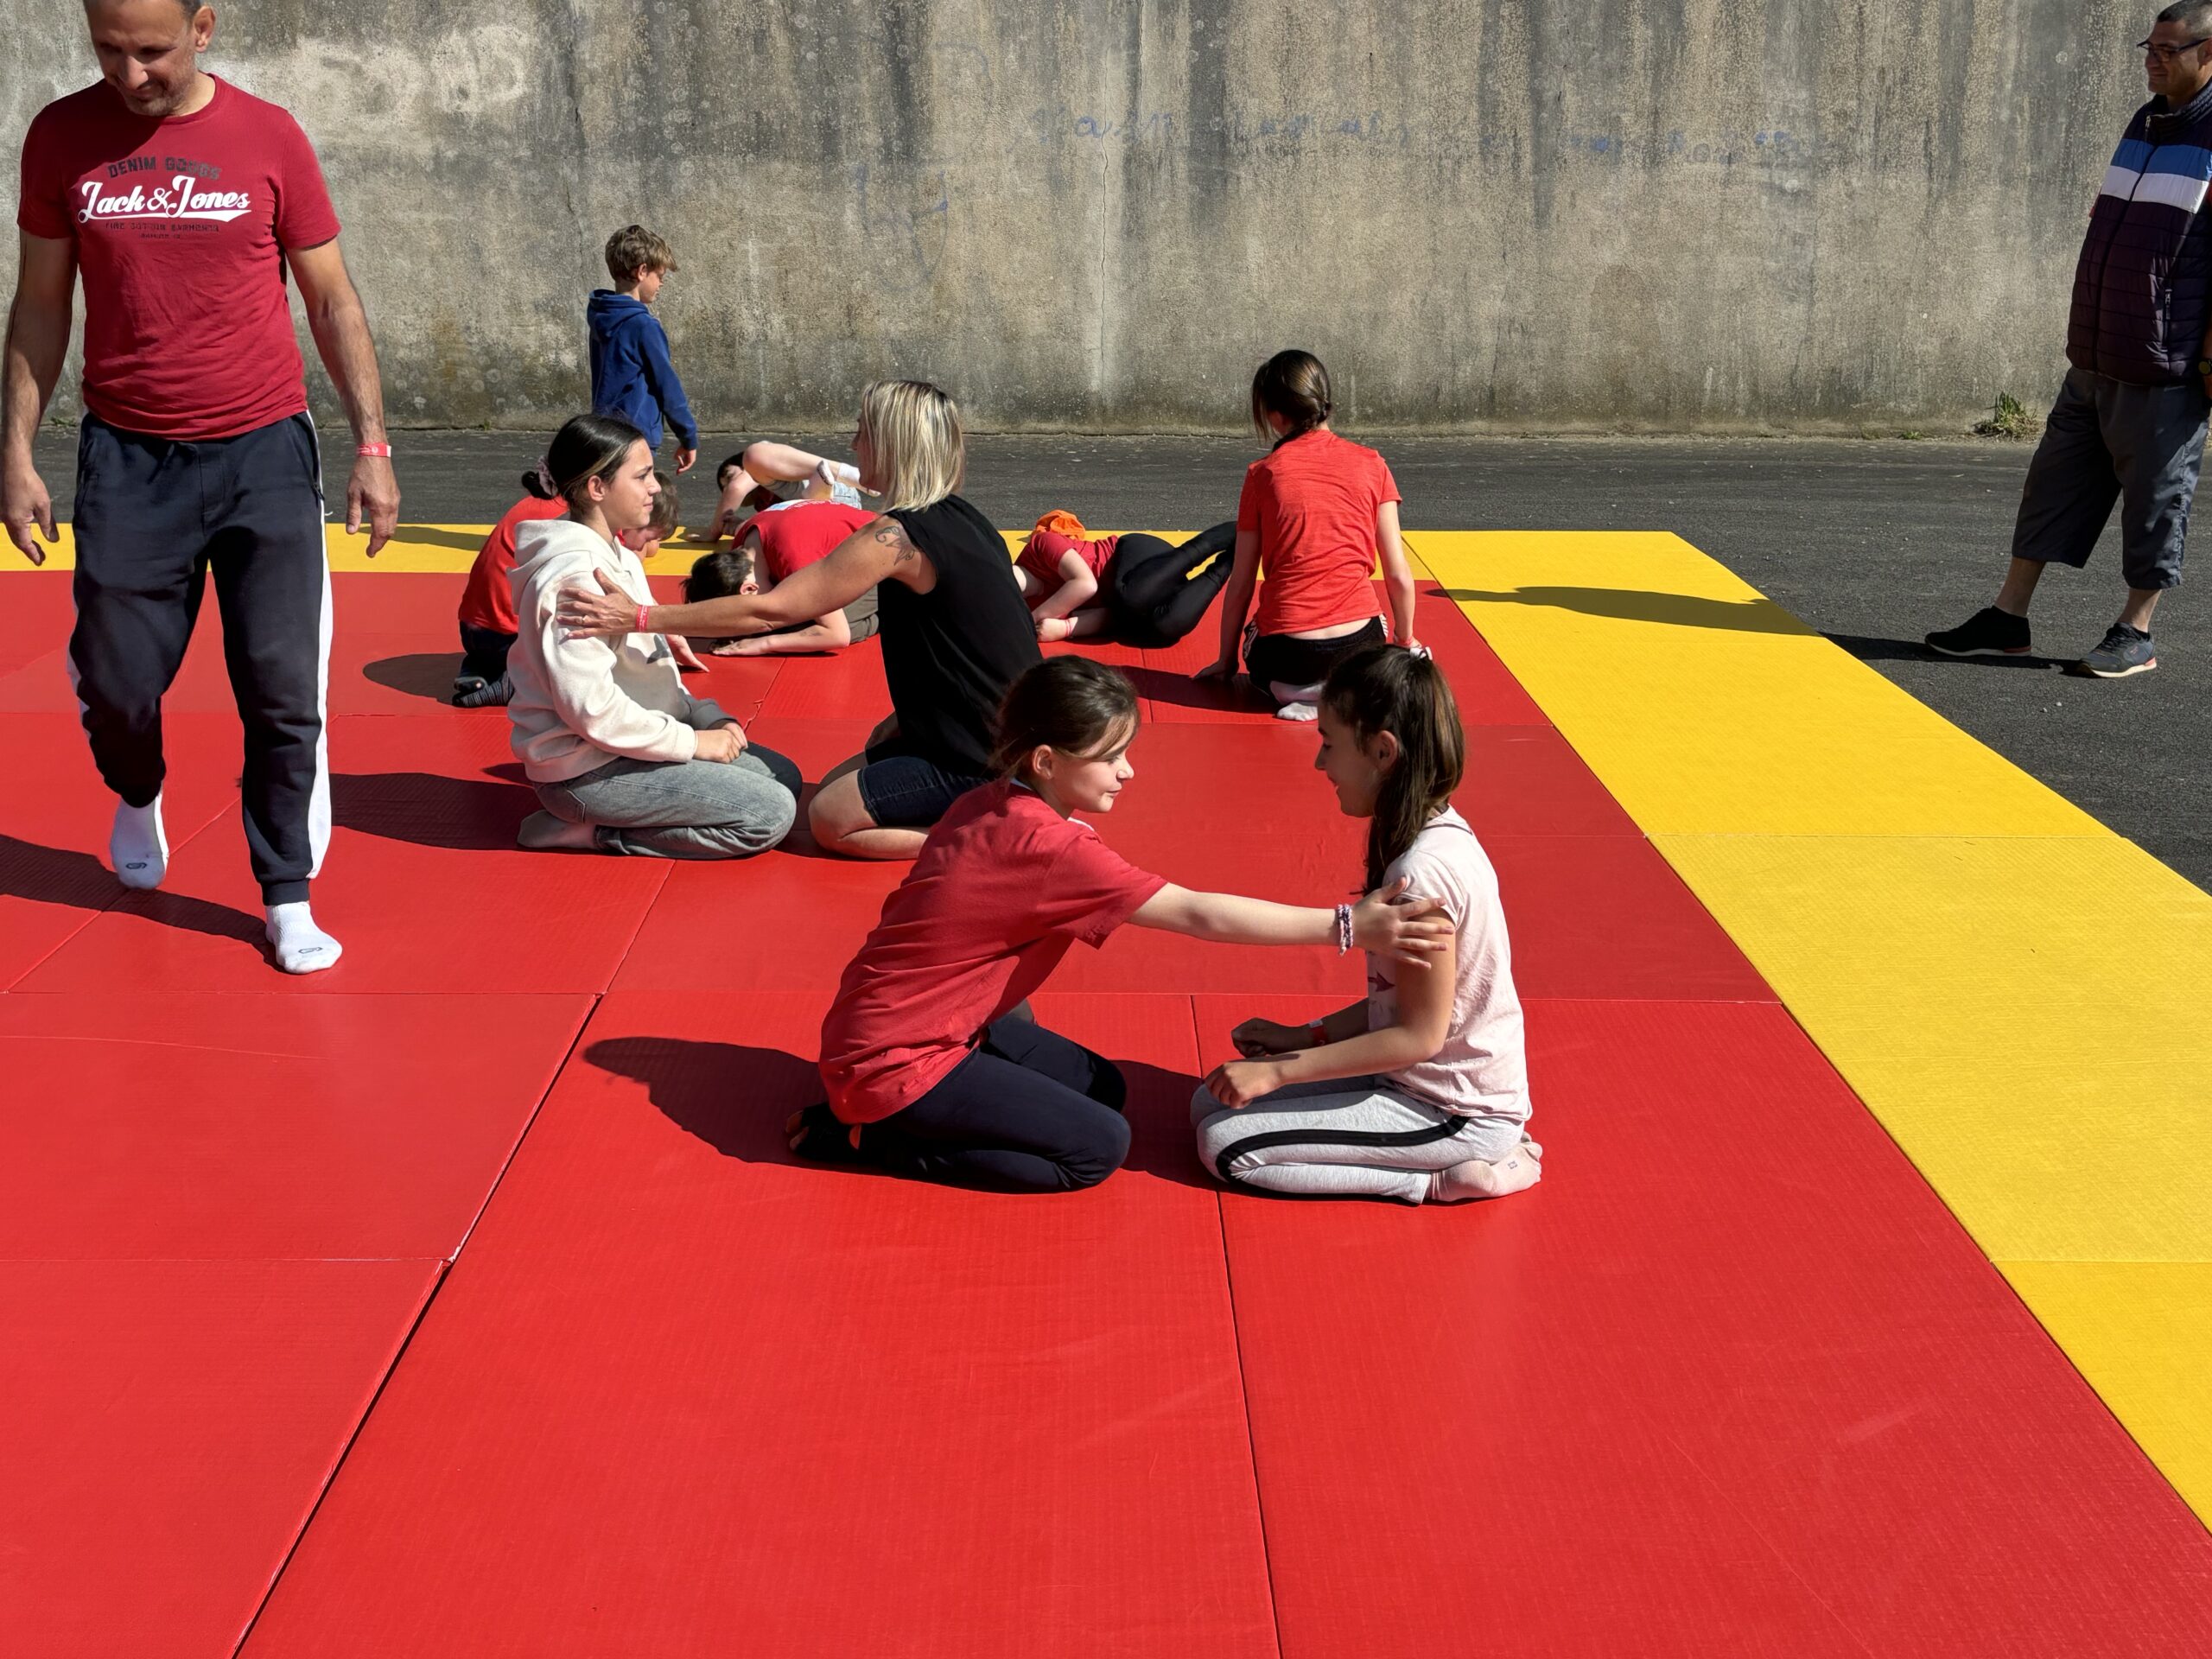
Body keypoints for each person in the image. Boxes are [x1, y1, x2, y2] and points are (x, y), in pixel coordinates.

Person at [3, 0, 400, 975]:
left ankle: (286, 892)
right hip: (129, 458)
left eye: (152, 51)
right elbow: (43, 300)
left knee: (282, 691)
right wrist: (14, 453)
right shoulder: (61, 135)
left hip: (265, 453)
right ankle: (138, 792)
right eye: (108, 50)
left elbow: (331, 297)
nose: (130, 74)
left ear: (204, 27)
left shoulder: (268, 136)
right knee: (117, 684)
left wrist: (373, 445)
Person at [785, 656, 1453, 1194]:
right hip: (891, 1062)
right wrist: (1349, 925)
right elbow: (1197, 912)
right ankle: (874, 1139)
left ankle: (909, 1095)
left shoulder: (988, 801)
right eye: (1111, 757)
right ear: (1046, 761)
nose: (1128, 772)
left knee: (1104, 1088)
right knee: (1097, 1147)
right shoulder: (1050, 850)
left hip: (882, 1025)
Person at [558, 379, 1042, 859]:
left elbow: (773, 608)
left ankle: (997, 834)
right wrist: (909, 715)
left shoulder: (897, 539)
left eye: (862, 432)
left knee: (830, 821)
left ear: (892, 444)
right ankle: (999, 802)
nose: (853, 446)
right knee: (827, 790)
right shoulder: (965, 517)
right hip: (994, 733)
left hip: (980, 755)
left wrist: (641, 616)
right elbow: (983, 638)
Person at [1192, 645, 1540, 1205]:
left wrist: (1280, 1073)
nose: (1319, 763)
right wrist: (1303, 1037)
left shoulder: (1422, 873)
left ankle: (1439, 1180)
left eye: (1329, 743)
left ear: (1382, 751)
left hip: (1450, 1109)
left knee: (1227, 1146)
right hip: (1410, 1080)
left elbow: (1419, 1035)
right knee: (1209, 1102)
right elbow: (1398, 1001)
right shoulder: (1428, 833)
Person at [1927, 3, 2212, 680]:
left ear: (2209, 53)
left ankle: (2135, 631)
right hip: (2097, 350)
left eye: (2169, 50)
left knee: (2156, 501)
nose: (2153, 59)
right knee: (2051, 487)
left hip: (2165, 364)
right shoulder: (2147, 121)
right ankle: (2008, 618)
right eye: (2150, 47)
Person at [506, 414, 798, 860]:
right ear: (597, 487)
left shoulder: (620, 556)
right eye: (641, 476)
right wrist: (693, 743)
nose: (655, 488)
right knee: (770, 814)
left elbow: (652, 668)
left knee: (784, 779)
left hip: (634, 744)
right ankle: (590, 831)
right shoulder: (575, 580)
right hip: (587, 771)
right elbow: (590, 709)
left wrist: (702, 716)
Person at [1199, 350, 1419, 720]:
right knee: (1375, 629)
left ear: (1275, 415)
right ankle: (1344, 688)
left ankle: (1292, 690)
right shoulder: (1373, 464)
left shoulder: (1263, 473)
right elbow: (1398, 574)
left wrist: (1226, 660)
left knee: (1258, 644)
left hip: (1289, 654)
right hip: (1358, 645)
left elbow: (1241, 583)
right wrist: (1405, 641)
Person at [455, 465, 689, 708]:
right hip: (511, 640)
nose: (643, 547)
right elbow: (627, 597)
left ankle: (482, 666)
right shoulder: (591, 523)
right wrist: (662, 638)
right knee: (606, 625)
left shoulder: (561, 501)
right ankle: (520, 683)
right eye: (649, 538)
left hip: (475, 631)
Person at [682, 497, 881, 654]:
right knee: (788, 613)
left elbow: (838, 635)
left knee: (800, 627)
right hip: (862, 547)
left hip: (887, 565)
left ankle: (888, 612)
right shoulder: (746, 540)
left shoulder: (794, 560)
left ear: (749, 589)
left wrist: (762, 643)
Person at [1014, 512, 1241, 646]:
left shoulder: (1040, 545)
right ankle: (1229, 562)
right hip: (1134, 598)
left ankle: (1218, 538)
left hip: (1134, 556)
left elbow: (1085, 585)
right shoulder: (1030, 607)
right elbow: (1110, 617)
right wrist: (1065, 628)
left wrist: (1031, 624)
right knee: (1165, 629)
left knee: (1130, 599)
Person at [588, 226, 696, 477]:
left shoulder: (601, 315)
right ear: (642, 271)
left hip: (605, 433)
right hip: (636, 436)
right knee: (640, 496)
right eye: (660, 276)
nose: (661, 284)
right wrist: (688, 436)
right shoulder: (643, 326)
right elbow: (667, 386)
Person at [697, 440, 867, 546]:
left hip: (836, 492)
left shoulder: (761, 465)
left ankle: (841, 477)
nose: (728, 488)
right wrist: (740, 527)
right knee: (755, 530)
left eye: (731, 477)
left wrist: (714, 531)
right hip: (830, 522)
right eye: (724, 487)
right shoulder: (763, 504)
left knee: (756, 454)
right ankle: (815, 500)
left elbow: (736, 488)